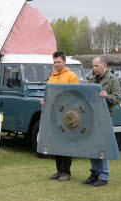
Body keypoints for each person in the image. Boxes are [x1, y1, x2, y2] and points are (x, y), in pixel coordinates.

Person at [81, 56, 121, 187]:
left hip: (104, 117)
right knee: (92, 145)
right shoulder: (91, 79)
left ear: (104, 65)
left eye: (96, 66)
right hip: (91, 117)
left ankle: (103, 176)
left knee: (103, 147)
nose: (93, 68)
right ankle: (94, 173)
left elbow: (117, 98)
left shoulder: (113, 80)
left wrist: (106, 96)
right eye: (93, 66)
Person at [40, 51, 80, 181]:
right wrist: (44, 100)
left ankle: (66, 172)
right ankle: (59, 170)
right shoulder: (52, 78)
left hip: (67, 115)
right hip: (55, 115)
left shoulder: (72, 76)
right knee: (56, 142)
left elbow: (76, 96)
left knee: (66, 143)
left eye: (58, 62)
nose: (56, 64)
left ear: (64, 62)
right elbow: (50, 95)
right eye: (54, 62)